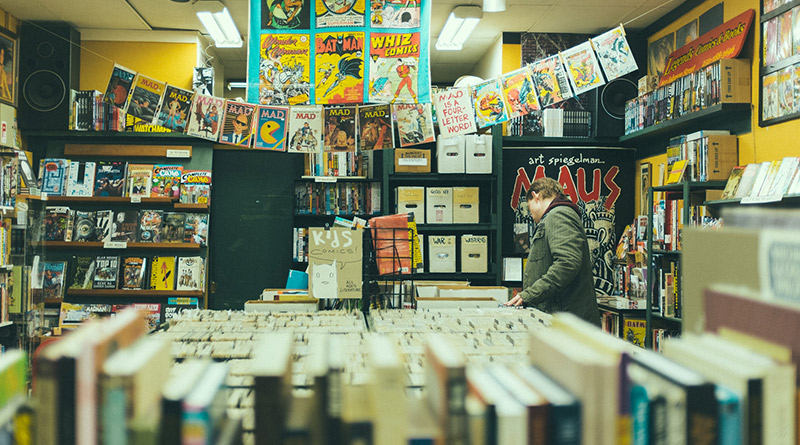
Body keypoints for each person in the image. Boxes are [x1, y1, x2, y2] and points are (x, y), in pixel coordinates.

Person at [505, 177, 600, 326]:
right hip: (563, 319)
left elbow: (567, 263)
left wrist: (530, 294)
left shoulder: (558, 215)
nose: (531, 215)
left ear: (536, 196)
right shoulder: (555, 216)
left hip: (567, 323)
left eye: (530, 208)